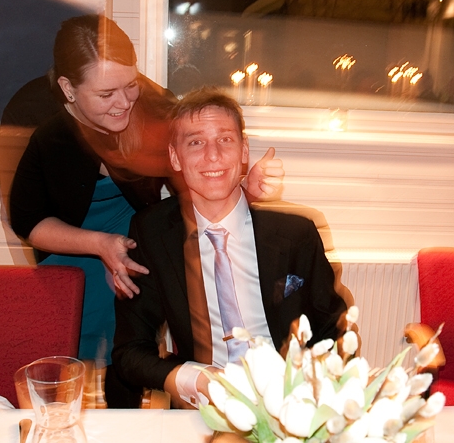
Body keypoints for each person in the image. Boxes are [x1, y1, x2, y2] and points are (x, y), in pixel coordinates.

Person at [8, 15, 284, 403]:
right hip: (73, 254)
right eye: (106, 94)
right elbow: (28, 221)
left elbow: (199, 176)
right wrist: (99, 244)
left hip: (137, 248)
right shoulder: (47, 136)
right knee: (67, 370)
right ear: (69, 89)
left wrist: (244, 190)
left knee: (129, 359)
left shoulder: (156, 110)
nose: (124, 103)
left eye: (131, 85)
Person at [112, 87, 349, 408]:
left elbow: (333, 332)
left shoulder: (297, 233)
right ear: (175, 157)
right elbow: (129, 352)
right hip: (202, 407)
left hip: (289, 402)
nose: (213, 155)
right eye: (196, 142)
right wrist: (192, 378)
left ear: (244, 150)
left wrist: (304, 390)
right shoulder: (152, 232)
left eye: (225, 139)